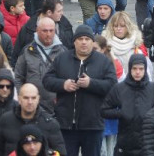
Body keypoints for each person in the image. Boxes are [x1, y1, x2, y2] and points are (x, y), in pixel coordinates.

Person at [42, 25, 117, 156]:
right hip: (66, 125)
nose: (83, 42)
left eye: (87, 39)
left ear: (92, 42)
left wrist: (91, 83)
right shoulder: (62, 58)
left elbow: (112, 86)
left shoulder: (103, 61)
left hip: (93, 125)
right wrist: (63, 84)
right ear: (74, 42)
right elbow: (47, 80)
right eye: (80, 39)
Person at [101, 54, 154, 156]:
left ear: (145, 70)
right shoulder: (119, 88)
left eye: (141, 69)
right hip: (125, 143)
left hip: (146, 144)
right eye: (134, 69)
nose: (137, 72)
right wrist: (121, 113)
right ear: (130, 69)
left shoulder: (153, 89)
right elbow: (104, 110)